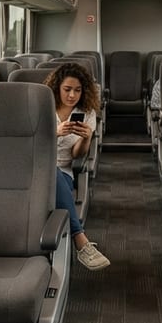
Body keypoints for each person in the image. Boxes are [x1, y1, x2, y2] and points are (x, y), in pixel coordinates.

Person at [44, 62, 110, 270]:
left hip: (63, 170)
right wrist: (55, 132)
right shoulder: (43, 107)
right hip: (36, 165)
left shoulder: (86, 113)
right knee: (48, 169)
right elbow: (29, 143)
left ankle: (76, 241)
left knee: (54, 173)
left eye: (77, 90)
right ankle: (80, 239)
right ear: (57, 88)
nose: (72, 95)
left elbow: (77, 155)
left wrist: (86, 138)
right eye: (67, 89)